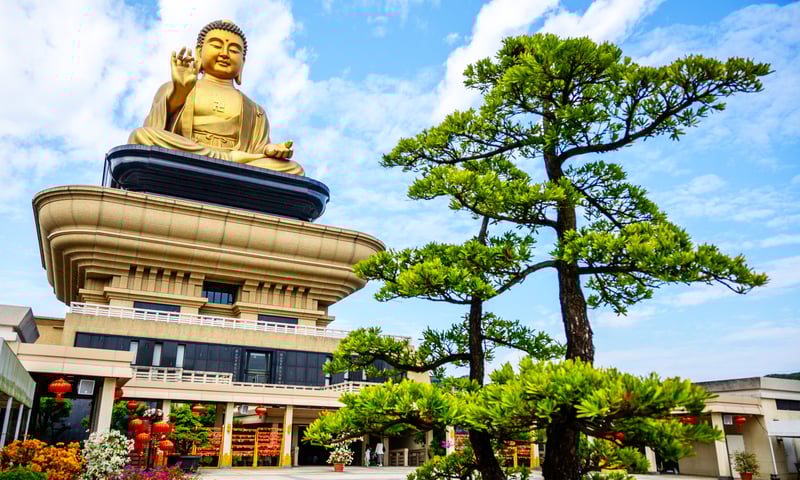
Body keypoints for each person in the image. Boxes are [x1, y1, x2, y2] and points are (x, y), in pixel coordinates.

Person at [129, 20, 304, 175]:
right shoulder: (175, 87)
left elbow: (258, 148)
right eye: (216, 45)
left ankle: (230, 161)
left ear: (243, 62)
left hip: (239, 159)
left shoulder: (255, 110)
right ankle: (230, 161)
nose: (225, 53)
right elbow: (155, 126)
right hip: (190, 150)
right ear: (199, 52)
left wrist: (269, 149)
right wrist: (180, 91)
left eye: (234, 50)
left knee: (294, 169)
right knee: (141, 136)